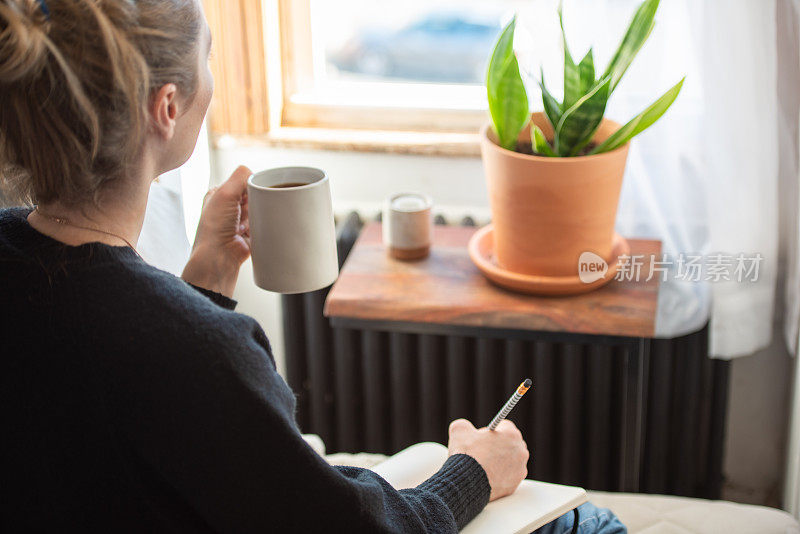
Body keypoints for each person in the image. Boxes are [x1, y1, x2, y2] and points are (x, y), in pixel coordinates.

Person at [0, 0, 626, 532]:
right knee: (588, 524)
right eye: (209, 59)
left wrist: (205, 287)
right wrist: (477, 471)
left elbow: (143, 419)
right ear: (166, 107)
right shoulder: (203, 348)